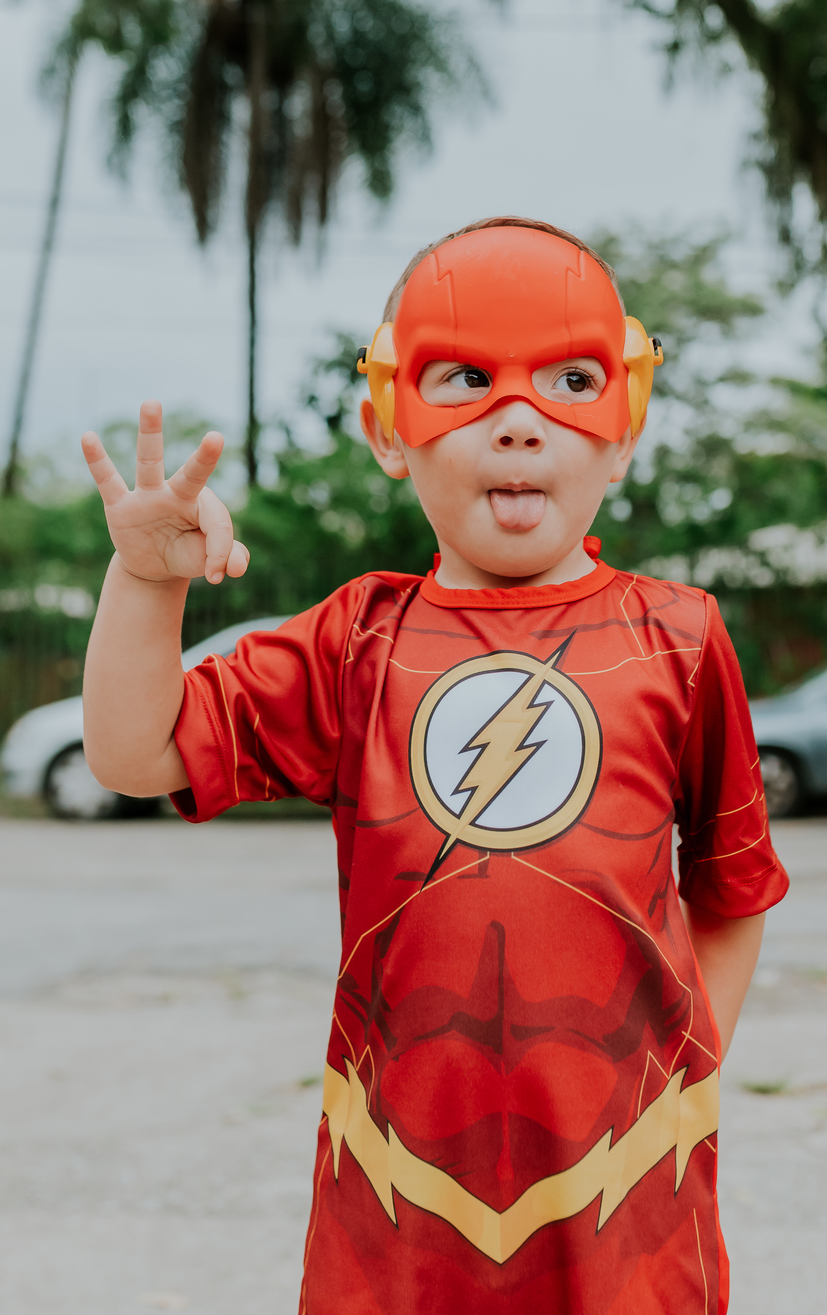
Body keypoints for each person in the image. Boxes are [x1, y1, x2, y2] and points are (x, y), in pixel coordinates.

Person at [80, 216, 788, 1315]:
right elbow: (134, 754)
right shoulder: (354, 640)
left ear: (625, 425)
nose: (518, 422)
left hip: (630, 1208)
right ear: (389, 424)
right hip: (394, 1209)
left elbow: (733, 887)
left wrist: (685, 1068)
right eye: (465, 378)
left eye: (569, 379)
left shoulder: (680, 639)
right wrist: (145, 585)